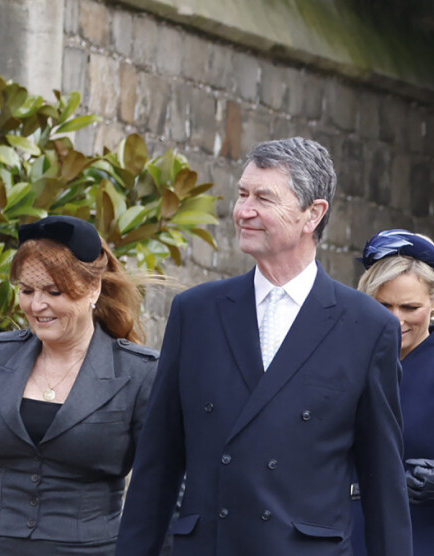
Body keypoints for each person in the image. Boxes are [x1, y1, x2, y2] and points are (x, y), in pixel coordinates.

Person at [114, 137, 413, 556]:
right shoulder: (196, 312)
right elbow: (157, 466)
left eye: (263, 198)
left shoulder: (367, 327)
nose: (243, 211)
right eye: (241, 194)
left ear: (313, 214)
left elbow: (383, 484)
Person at [0, 215, 159, 556]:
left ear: (93, 289)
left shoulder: (139, 372)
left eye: (53, 292)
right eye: (27, 290)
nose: (36, 305)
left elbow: (160, 490)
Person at [351, 228, 434, 555]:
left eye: (409, 307)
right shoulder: (341, 361)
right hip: (341, 538)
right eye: (383, 305)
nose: (394, 319)